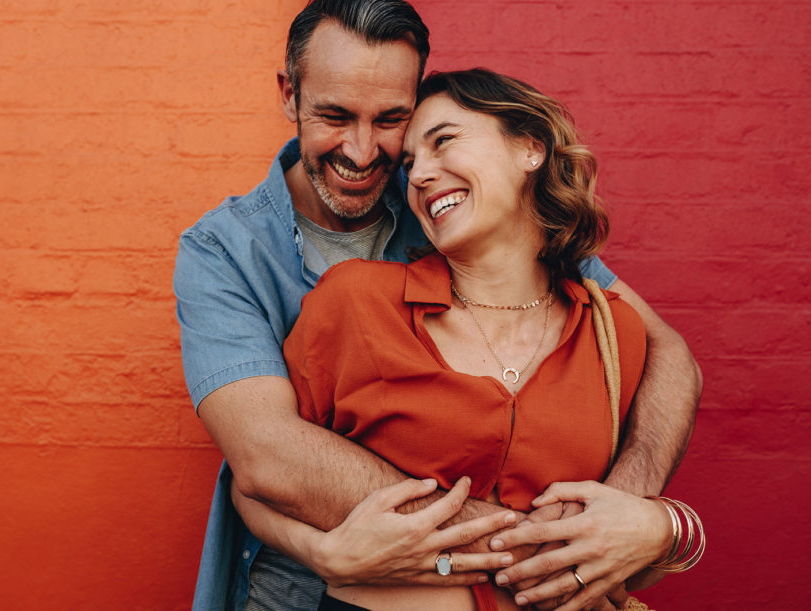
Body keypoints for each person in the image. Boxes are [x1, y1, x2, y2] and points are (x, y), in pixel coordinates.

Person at [173, 1, 702, 609]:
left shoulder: (459, 201)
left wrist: (629, 513)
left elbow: (662, 349)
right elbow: (265, 453)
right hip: (299, 577)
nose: (365, 152)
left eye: (392, 119)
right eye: (335, 116)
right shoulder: (224, 249)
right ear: (290, 95)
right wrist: (533, 548)